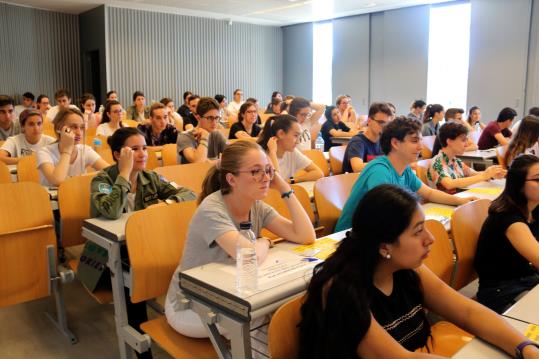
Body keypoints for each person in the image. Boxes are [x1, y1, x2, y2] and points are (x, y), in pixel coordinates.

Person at [300, 184, 539, 359]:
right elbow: (399, 358)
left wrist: (524, 346)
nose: (431, 238)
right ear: (385, 247)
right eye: (418, 232)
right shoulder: (340, 290)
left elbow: (467, 311)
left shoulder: (405, 268)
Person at [165, 140, 316, 338]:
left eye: (268, 170)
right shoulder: (212, 209)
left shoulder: (255, 205)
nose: (265, 178)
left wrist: (284, 188)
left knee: (286, 307)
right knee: (262, 317)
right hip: (190, 305)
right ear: (232, 179)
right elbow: (249, 256)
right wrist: (264, 241)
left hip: (230, 292)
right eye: (255, 171)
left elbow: (306, 236)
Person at [90, 127, 196, 359]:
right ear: (118, 154)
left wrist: (165, 204)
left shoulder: (151, 177)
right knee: (135, 280)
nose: (143, 153)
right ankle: (141, 348)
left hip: (144, 244)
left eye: (144, 148)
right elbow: (110, 211)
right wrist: (124, 174)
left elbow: (189, 194)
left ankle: (183, 323)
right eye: (134, 149)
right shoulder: (101, 179)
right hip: (111, 253)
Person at [335, 117, 476, 231]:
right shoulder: (379, 169)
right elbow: (383, 213)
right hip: (353, 235)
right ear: (395, 143)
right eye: (414, 141)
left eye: (420, 140)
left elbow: (429, 193)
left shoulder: (404, 168)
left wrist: (460, 201)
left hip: (382, 229)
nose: (420, 147)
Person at [475, 154, 539, 314]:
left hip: (526, 277)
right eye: (538, 180)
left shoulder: (534, 206)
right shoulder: (508, 218)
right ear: (518, 184)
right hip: (501, 291)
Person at [427, 122, 506, 193]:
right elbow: (449, 184)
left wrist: (491, 174)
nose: (466, 144)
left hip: (459, 200)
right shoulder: (437, 162)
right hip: (444, 206)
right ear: (449, 141)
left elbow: (474, 174)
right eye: (463, 140)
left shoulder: (456, 161)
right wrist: (484, 176)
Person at [37, 108, 109, 187]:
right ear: (59, 128)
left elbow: (110, 171)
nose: (79, 133)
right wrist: (67, 149)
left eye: (81, 127)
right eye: (73, 127)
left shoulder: (85, 150)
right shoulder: (44, 152)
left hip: (76, 196)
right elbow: (57, 181)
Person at [258, 115, 324, 183]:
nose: (298, 141)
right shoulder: (261, 155)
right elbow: (276, 181)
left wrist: (292, 180)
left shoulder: (292, 152)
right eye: (295, 135)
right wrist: (272, 152)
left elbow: (319, 173)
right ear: (281, 134)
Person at [343, 102, 392, 173]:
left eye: (387, 123)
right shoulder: (357, 141)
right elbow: (357, 167)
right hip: (354, 182)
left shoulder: (383, 140)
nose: (384, 126)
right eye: (381, 122)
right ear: (369, 121)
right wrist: (385, 163)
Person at [176, 97, 227, 164]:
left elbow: (235, 156)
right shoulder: (184, 136)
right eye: (210, 118)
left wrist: (210, 162)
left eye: (216, 118)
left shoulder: (216, 134)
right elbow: (198, 163)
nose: (214, 122)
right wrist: (204, 138)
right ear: (198, 118)